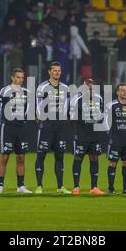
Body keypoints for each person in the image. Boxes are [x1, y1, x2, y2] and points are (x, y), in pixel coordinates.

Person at [35, 62, 72, 194]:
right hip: (47, 125)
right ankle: (39, 186)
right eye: (55, 70)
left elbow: (67, 105)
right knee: (41, 155)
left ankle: (60, 186)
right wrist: (40, 118)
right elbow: (38, 105)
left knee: (60, 155)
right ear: (49, 72)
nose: (57, 73)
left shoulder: (65, 88)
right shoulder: (43, 87)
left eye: (59, 71)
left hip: (60, 126)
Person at [0, 68, 33, 194]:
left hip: (21, 128)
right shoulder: (5, 91)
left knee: (21, 157)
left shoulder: (26, 92)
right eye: (17, 77)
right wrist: (4, 122)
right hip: (8, 128)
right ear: (12, 77)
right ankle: (0, 185)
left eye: (22, 78)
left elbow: (28, 109)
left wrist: (23, 120)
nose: (20, 80)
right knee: (4, 157)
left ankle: (21, 186)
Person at [70, 78, 105, 195]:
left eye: (92, 88)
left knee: (94, 158)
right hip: (81, 135)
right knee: (78, 158)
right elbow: (71, 116)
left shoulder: (99, 98)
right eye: (88, 87)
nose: (90, 90)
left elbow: (100, 116)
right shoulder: (77, 99)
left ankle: (94, 187)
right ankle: (76, 187)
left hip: (94, 135)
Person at [105, 83, 126, 194]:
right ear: (117, 92)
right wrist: (110, 134)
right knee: (113, 163)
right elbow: (105, 121)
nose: (125, 92)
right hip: (115, 140)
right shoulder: (111, 105)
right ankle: (110, 188)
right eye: (122, 90)